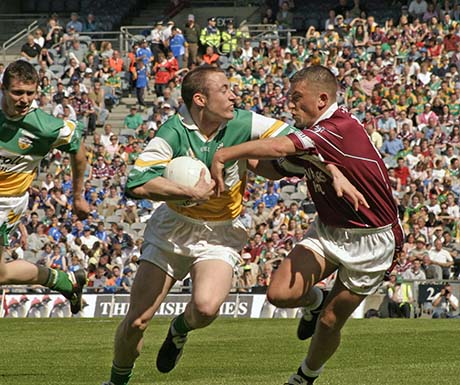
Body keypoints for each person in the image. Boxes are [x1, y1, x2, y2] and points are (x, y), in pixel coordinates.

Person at [102, 66, 302, 385]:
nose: (234, 94)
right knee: (137, 321)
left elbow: (295, 138)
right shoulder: (172, 132)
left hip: (221, 232)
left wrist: (254, 156)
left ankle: (179, 329)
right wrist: (187, 192)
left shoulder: (243, 121)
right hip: (173, 228)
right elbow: (136, 182)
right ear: (200, 99)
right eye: (225, 89)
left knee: (206, 309)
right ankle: (116, 381)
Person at [211, 66, 403, 385]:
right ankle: (313, 302)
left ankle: (305, 376)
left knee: (330, 322)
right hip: (329, 229)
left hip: (372, 239)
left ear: (321, 99)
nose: (290, 105)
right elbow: (274, 167)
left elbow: (278, 147)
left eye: (296, 98)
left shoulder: (337, 127)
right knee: (279, 294)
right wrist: (232, 151)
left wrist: (225, 154)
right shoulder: (313, 138)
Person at [0, 60, 89, 314]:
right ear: (3, 89)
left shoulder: (46, 127)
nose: (24, 99)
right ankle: (65, 281)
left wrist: (78, 196)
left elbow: (78, 151)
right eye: (17, 92)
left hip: (6, 202)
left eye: (30, 93)